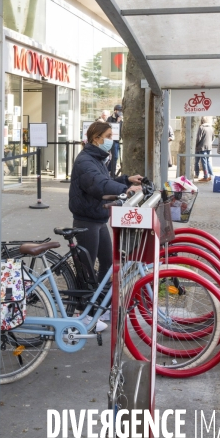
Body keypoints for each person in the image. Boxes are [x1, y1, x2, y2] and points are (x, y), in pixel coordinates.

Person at [69, 121, 142, 329]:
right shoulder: (85, 161)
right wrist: (126, 190)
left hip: (99, 218)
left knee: (108, 264)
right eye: (108, 135)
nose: (111, 140)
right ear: (96, 138)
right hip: (86, 221)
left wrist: (127, 180)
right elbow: (98, 184)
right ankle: (82, 313)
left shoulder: (97, 158)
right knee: (86, 269)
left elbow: (105, 180)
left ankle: (100, 306)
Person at [194, 117, 215, 182]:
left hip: (201, 147)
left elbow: (198, 138)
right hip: (208, 147)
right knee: (207, 161)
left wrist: (195, 145)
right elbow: (213, 137)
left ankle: (204, 176)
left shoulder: (201, 128)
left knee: (201, 162)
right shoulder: (211, 128)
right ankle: (211, 175)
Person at [107, 105, 123, 177]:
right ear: (115, 110)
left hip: (117, 140)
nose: (119, 112)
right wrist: (117, 122)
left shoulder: (121, 120)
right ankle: (112, 174)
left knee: (115, 157)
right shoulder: (110, 119)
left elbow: (121, 130)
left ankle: (108, 169)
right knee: (115, 157)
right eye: (118, 110)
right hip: (111, 140)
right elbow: (111, 128)